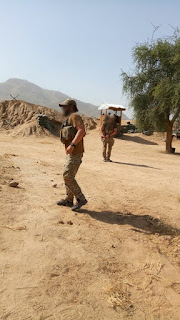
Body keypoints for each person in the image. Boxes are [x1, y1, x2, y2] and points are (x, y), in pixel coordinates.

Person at [57, 99, 87, 211]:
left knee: (67, 176)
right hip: (71, 153)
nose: (62, 109)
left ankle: (80, 198)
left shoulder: (75, 117)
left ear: (71, 107)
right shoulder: (69, 119)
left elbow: (81, 131)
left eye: (64, 107)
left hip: (75, 153)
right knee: (68, 175)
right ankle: (69, 199)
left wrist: (73, 145)